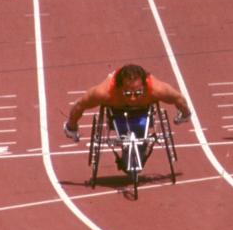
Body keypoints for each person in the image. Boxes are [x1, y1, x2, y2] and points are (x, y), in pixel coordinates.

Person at [63, 64, 191, 170]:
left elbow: (178, 98)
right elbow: (80, 105)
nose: (133, 98)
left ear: (144, 86)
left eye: (138, 93)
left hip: (143, 112)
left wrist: (185, 114)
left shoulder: (156, 89)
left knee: (141, 137)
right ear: (119, 88)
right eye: (128, 93)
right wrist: (71, 126)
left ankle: (139, 151)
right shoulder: (104, 92)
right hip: (117, 113)